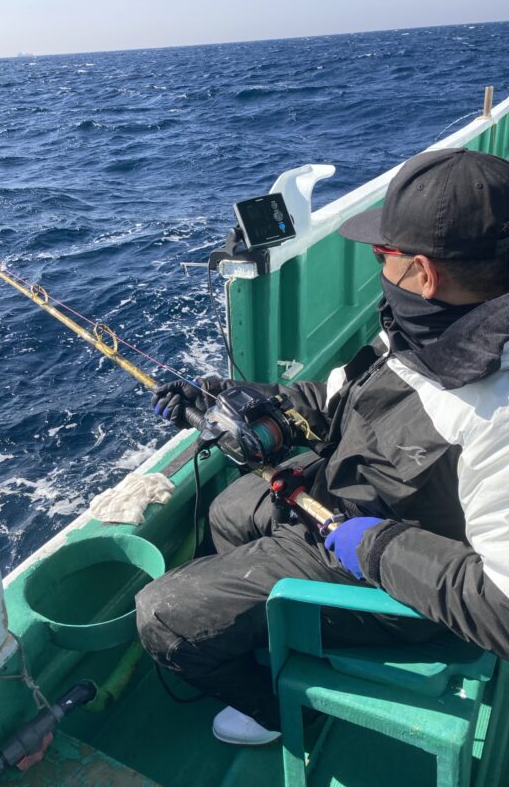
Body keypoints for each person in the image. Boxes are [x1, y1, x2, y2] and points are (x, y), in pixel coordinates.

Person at [135, 147, 509, 746]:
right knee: (230, 510)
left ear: (423, 273)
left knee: (165, 616)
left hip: (408, 581)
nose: (377, 266)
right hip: (354, 506)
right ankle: (283, 641)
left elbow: (503, 610)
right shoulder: (439, 324)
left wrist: (379, 548)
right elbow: (340, 396)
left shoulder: (498, 409)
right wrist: (245, 401)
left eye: (382, 255)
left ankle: (288, 714)